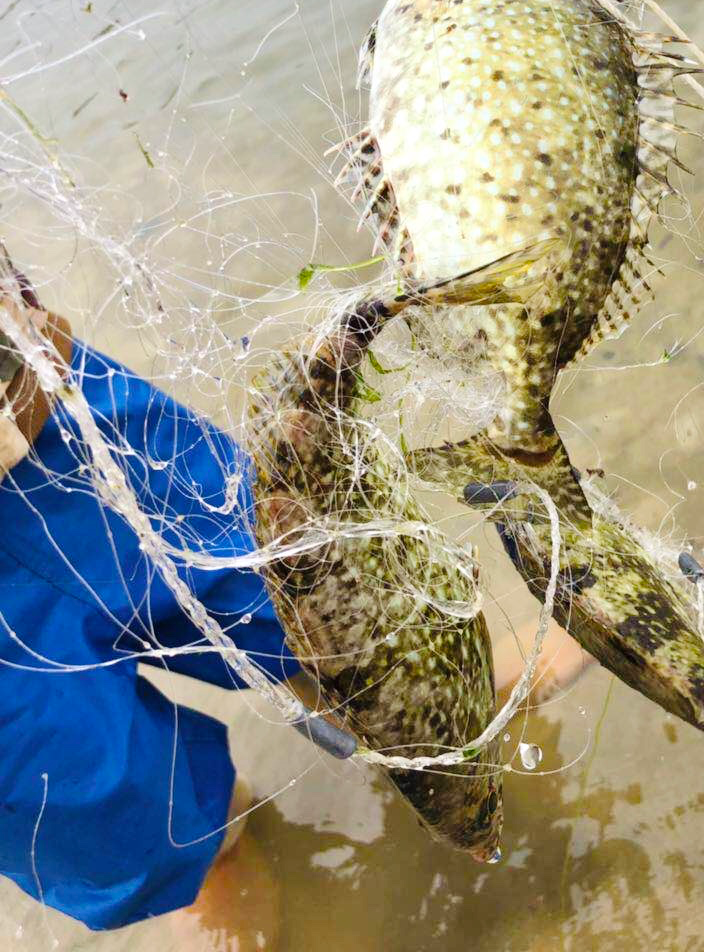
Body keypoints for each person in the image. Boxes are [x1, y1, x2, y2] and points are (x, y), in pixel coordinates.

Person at [0, 251, 589, 941]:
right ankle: (231, 859)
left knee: (290, 590)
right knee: (149, 827)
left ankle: (443, 714)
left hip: (31, 395)